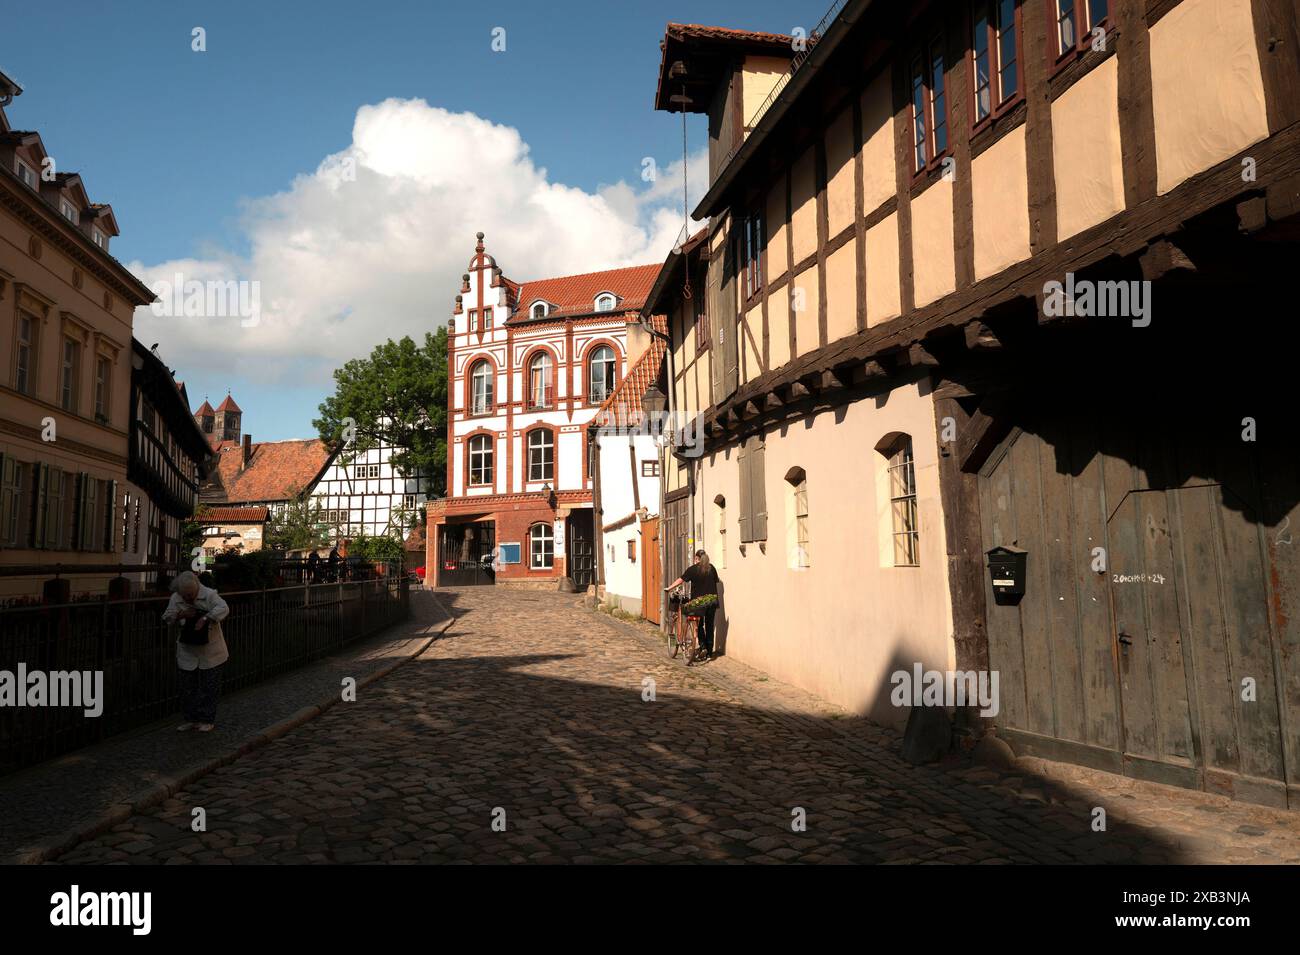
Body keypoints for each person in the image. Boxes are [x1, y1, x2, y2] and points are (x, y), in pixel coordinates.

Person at [162, 571, 230, 732]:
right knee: (187, 688)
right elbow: (167, 617)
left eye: (191, 595)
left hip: (211, 651)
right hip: (188, 649)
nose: (188, 599)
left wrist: (206, 618)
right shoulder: (176, 598)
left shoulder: (209, 594)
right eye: (185, 596)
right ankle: (191, 719)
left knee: (209, 687)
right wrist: (181, 614)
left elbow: (224, 608)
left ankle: (207, 719)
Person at [666, 549, 720, 660]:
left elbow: (681, 580)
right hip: (712, 601)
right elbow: (716, 581)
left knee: (698, 625)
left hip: (699, 602)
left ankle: (703, 647)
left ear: (696, 559)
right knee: (709, 626)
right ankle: (709, 653)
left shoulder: (693, 569)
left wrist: (669, 588)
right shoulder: (712, 568)